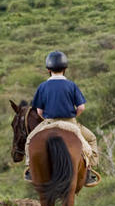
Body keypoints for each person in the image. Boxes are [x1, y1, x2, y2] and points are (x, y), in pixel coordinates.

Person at [24, 50, 99, 186]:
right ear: (65, 69)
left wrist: (45, 119)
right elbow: (81, 107)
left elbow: (39, 111)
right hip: (70, 123)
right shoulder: (71, 85)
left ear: (48, 70)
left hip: (49, 123)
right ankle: (88, 172)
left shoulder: (43, 86)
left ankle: (30, 168)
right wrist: (73, 117)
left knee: (30, 140)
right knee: (92, 139)